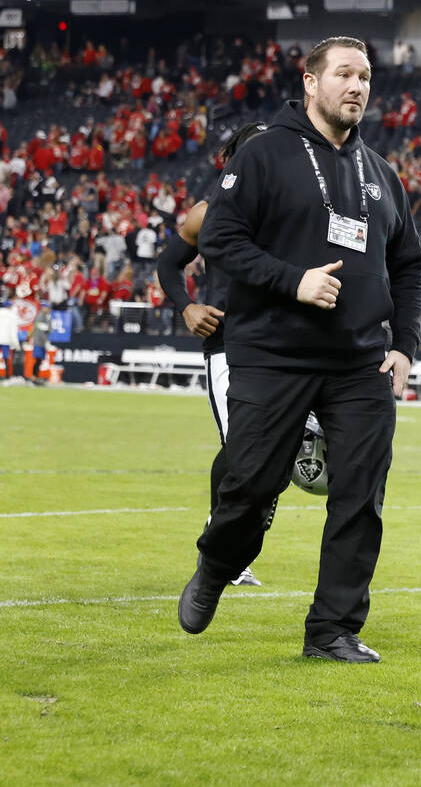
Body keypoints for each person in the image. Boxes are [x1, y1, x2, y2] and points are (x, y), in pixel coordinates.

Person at [177, 36, 421, 664]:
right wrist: (295, 280)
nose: (357, 86)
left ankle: (332, 628)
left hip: (359, 363)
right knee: (250, 484)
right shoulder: (264, 155)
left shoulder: (382, 174)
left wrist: (406, 345)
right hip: (274, 354)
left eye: (365, 76)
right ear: (310, 82)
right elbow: (222, 240)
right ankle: (218, 563)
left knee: (360, 494)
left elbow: (410, 266)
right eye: (343, 73)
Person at [157, 122, 270, 588]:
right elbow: (168, 264)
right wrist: (187, 307)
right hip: (226, 342)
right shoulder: (206, 213)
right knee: (243, 449)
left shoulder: (296, 209)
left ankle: (228, 540)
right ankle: (223, 546)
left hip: (282, 343)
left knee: (266, 454)